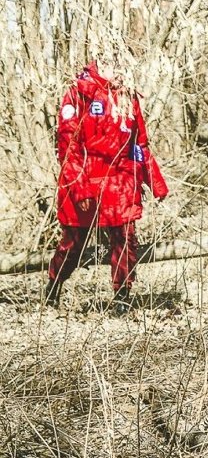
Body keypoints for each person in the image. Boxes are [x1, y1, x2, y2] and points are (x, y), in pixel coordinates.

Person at [45, 54, 169, 315]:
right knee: (73, 244)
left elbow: (139, 144)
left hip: (121, 182)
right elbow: (69, 148)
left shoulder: (127, 97)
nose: (119, 70)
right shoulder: (78, 94)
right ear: (100, 64)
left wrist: (155, 182)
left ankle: (122, 296)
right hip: (85, 180)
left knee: (125, 239)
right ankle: (53, 285)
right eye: (113, 64)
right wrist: (80, 188)